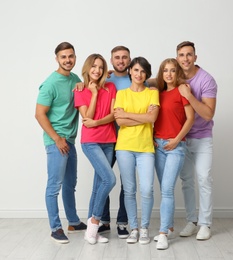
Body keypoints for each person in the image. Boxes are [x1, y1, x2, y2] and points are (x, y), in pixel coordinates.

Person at [35, 42, 86, 244]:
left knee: (70, 184)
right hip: (56, 141)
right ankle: (55, 228)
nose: (68, 60)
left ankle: (73, 221)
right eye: (63, 57)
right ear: (57, 58)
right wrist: (57, 139)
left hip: (70, 140)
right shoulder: (50, 83)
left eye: (71, 56)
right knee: (54, 185)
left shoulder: (75, 79)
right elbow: (39, 114)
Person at [114, 57, 159, 245]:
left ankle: (144, 228)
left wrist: (127, 114)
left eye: (143, 71)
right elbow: (119, 121)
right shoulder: (122, 94)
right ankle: (133, 228)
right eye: (136, 70)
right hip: (124, 147)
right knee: (130, 190)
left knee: (147, 189)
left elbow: (152, 117)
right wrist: (142, 117)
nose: (139, 74)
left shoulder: (152, 93)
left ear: (146, 74)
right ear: (130, 71)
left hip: (146, 147)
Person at [176, 41, 218, 240]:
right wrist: (113, 76)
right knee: (186, 181)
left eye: (189, 54)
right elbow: (152, 80)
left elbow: (208, 114)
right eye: (182, 55)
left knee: (203, 178)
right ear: (177, 58)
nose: (185, 58)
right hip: (182, 138)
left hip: (202, 138)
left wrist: (189, 96)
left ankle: (205, 224)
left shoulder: (206, 80)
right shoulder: (173, 75)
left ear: (195, 57)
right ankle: (192, 221)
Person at [74, 54, 117, 245]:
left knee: (98, 184)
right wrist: (94, 94)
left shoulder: (111, 87)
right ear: (87, 68)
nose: (97, 70)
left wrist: (99, 121)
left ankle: (91, 232)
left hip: (109, 141)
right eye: (94, 67)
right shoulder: (80, 90)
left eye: (100, 67)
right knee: (110, 179)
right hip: (90, 142)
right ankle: (94, 222)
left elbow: (114, 115)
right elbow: (87, 119)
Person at [152, 58, 195, 250]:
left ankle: (162, 234)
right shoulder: (158, 94)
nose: (168, 74)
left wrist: (177, 140)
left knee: (168, 189)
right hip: (158, 145)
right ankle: (169, 227)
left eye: (172, 70)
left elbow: (190, 118)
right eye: (165, 71)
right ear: (161, 73)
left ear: (177, 73)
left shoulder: (183, 91)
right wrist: (153, 137)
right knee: (165, 188)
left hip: (176, 146)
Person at [97, 46, 132, 238]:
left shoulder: (135, 78)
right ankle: (103, 220)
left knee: (126, 183)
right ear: (111, 61)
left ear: (129, 59)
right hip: (107, 138)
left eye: (124, 57)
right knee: (105, 179)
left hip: (129, 140)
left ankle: (122, 222)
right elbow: (87, 85)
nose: (121, 60)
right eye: (117, 58)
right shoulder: (105, 80)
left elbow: (154, 82)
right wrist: (78, 85)